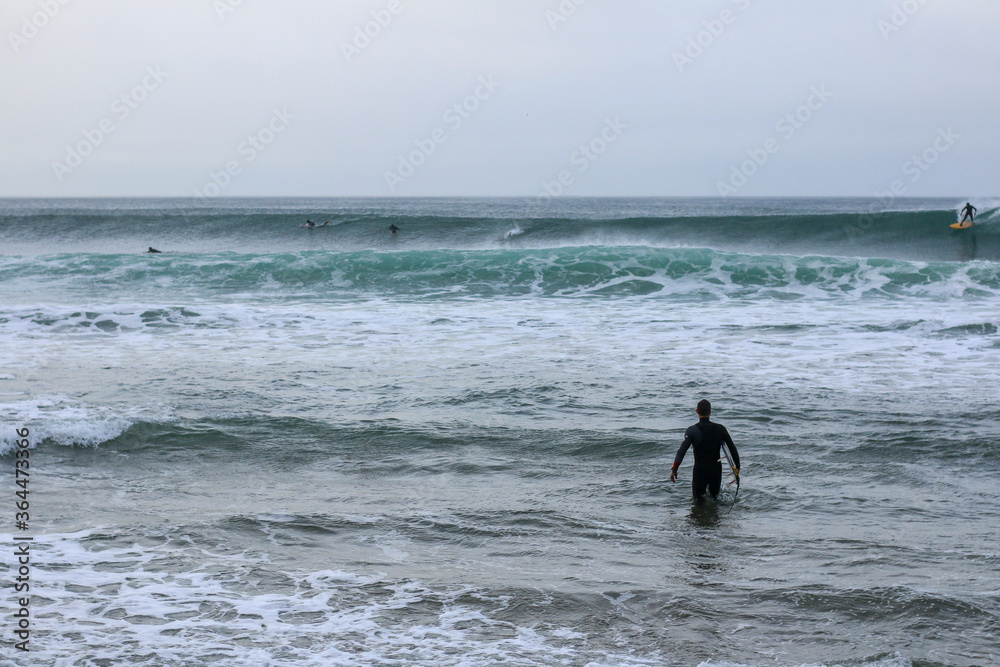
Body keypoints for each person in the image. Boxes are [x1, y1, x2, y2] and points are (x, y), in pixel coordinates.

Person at [670, 399, 740, 503]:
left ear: (697, 411)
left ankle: (700, 517)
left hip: (700, 471)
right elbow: (732, 449)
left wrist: (674, 470)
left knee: (698, 501)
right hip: (716, 471)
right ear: (710, 411)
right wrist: (737, 468)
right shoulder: (720, 429)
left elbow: (681, 452)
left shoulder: (692, 430)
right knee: (715, 500)